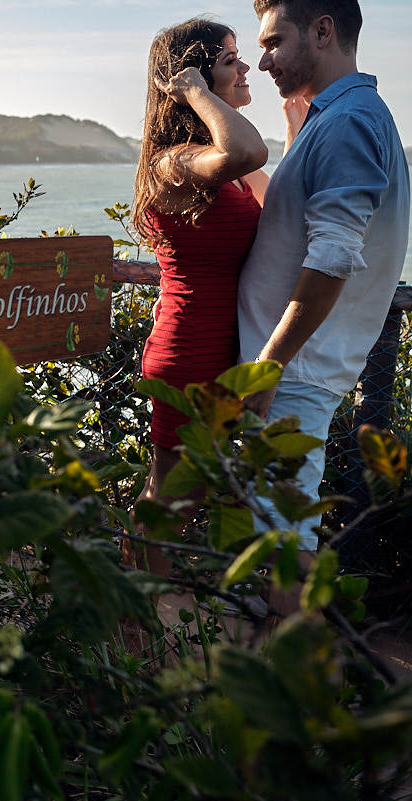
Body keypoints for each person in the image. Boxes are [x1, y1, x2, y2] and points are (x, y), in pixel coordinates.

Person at [237, 0, 410, 608]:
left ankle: (308, 685)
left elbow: (333, 255)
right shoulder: (340, 118)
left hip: (295, 373)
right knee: (281, 534)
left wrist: (269, 366)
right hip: (301, 369)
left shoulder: (349, 123)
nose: (261, 62)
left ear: (324, 30)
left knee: (280, 544)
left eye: (273, 41)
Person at [127, 18, 273, 577]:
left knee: (188, 491)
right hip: (189, 352)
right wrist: (194, 90)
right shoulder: (176, 162)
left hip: (229, 349)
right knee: (172, 498)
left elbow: (276, 197)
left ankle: (135, 602)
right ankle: (136, 620)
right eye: (230, 59)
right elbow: (248, 152)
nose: (244, 67)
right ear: (194, 75)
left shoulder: (217, 169)